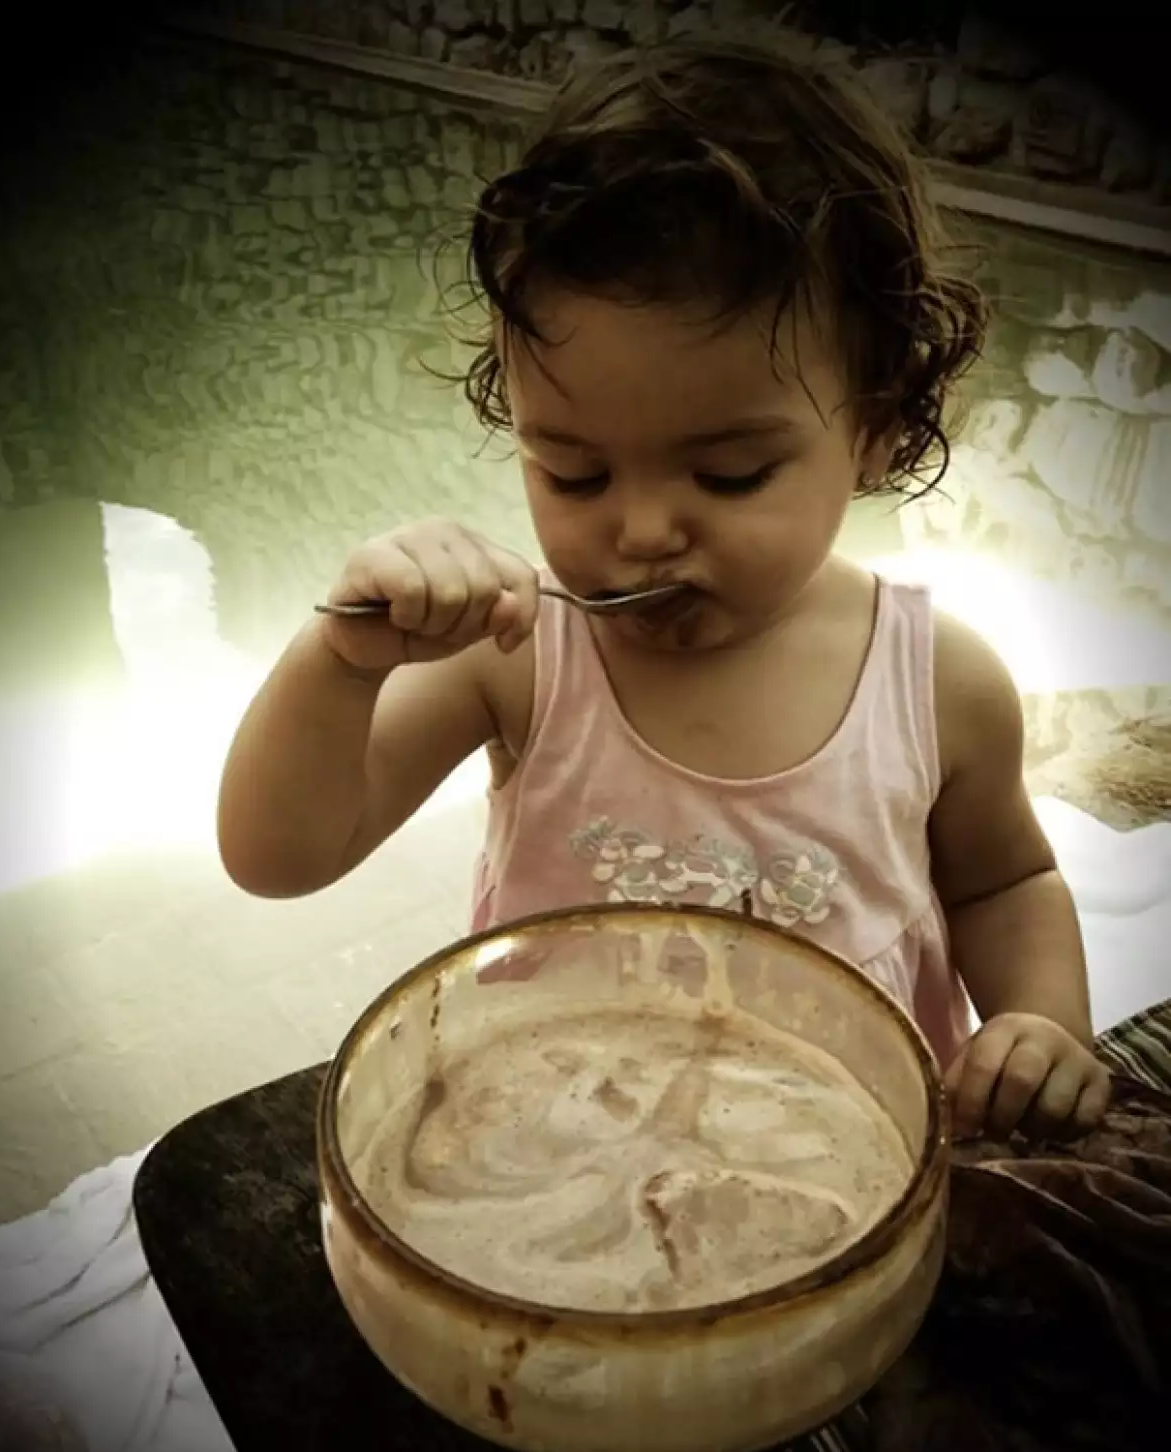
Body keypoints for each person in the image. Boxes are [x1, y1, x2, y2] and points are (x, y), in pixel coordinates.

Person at [218, 31, 1110, 1142]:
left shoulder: (937, 681)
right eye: (574, 470)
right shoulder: (517, 656)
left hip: (842, 1165)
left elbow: (1004, 884)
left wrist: (1043, 1024)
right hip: (556, 1148)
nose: (639, 530)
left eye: (730, 473)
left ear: (875, 432)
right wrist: (336, 662)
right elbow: (278, 855)